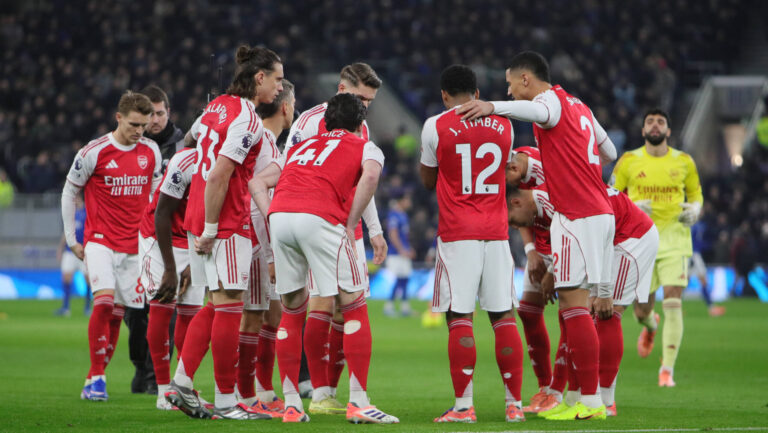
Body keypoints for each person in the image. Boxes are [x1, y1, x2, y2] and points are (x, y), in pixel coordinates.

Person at [458, 51, 617, 420]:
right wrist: (578, 170)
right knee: (579, 306)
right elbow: (608, 151)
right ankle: (584, 398)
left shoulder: (549, 102)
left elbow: (537, 113)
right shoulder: (580, 106)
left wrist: (491, 107)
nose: (511, 92)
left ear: (526, 79)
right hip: (596, 211)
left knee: (575, 307)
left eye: (511, 85)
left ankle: (590, 401)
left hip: (578, 216)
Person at [255, 93, 397, 424]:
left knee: (292, 312)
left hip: (282, 219)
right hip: (320, 219)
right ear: (361, 123)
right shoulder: (365, 146)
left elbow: (257, 182)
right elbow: (371, 178)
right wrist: (351, 222)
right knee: (354, 305)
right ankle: (359, 401)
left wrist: (273, 214)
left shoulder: (301, 147)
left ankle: (292, 405)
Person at [165, 44, 283, 420]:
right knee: (231, 305)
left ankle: (182, 383)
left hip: (197, 215)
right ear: (259, 77)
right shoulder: (248, 119)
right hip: (226, 220)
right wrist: (214, 227)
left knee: (214, 305)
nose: (280, 88)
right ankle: (229, 402)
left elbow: (191, 144)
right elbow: (219, 173)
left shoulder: (213, 107)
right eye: (277, 80)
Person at [421, 64, 524, 423]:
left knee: (460, 317)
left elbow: (426, 178)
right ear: (478, 93)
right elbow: (507, 172)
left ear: (444, 95)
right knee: (502, 316)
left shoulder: (435, 125)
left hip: (457, 233)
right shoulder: (505, 126)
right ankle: (515, 405)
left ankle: (464, 407)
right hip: (496, 234)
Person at [508, 184, 659, 417]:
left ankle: (606, 402)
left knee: (606, 314)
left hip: (630, 238)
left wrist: (554, 271)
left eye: (512, 220)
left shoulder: (551, 201)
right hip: (609, 240)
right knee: (580, 311)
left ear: (516, 203)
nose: (517, 226)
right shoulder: (552, 194)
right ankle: (574, 397)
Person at [285, 63, 386, 413]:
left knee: (345, 312)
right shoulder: (310, 122)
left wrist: (374, 230)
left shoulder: (362, 124)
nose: (367, 106)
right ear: (342, 90)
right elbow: (290, 172)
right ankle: (320, 392)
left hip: (349, 226)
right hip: (321, 223)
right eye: (361, 98)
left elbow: (362, 180)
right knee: (322, 304)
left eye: (370, 100)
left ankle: (329, 391)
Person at [61, 91, 162, 402]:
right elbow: (69, 192)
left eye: (144, 125)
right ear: (119, 118)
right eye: (134, 124)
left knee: (119, 314)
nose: (139, 131)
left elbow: (157, 197)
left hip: (136, 246)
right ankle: (100, 377)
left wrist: (155, 239)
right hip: (100, 241)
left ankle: (93, 377)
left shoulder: (151, 151)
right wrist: (71, 239)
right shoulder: (94, 152)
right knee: (103, 304)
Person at [612, 108, 704, 387]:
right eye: (650, 121)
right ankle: (650, 325)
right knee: (641, 311)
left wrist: (697, 209)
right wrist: (632, 206)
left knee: (674, 298)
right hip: (641, 239)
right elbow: (611, 196)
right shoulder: (628, 161)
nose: (655, 125)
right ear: (643, 131)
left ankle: (667, 370)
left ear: (668, 130)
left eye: (660, 122)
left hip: (675, 237)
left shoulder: (685, 161)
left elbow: (697, 194)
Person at [235, 79, 295, 415]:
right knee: (250, 317)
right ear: (285, 106)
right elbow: (255, 203)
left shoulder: (269, 144)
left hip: (262, 239)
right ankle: (243, 393)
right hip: (254, 239)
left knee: (272, 314)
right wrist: (270, 253)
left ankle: (264, 390)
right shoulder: (264, 146)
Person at [124, 85, 186, 396]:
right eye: (152, 115)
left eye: (161, 113)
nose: (156, 120)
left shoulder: (185, 145)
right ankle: (141, 364)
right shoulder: (132, 145)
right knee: (135, 309)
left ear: (168, 113)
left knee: (166, 305)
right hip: (134, 232)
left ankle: (154, 376)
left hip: (168, 235)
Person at [139, 144, 205, 410]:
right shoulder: (186, 162)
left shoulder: (231, 162)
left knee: (192, 313)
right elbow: (162, 213)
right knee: (162, 306)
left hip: (194, 240)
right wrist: (169, 268)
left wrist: (197, 257)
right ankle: (163, 389)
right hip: (160, 238)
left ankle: (182, 385)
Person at [56, 194, 91, 317]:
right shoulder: (70, 214)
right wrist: (60, 249)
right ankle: (65, 308)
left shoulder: (88, 212)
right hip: (70, 250)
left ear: (80, 199)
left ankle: (87, 307)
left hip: (83, 251)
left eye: (76, 198)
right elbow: (66, 233)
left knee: (88, 279)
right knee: (66, 277)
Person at [383, 191, 414, 317]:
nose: (409, 202)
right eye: (407, 199)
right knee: (398, 278)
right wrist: (401, 249)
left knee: (405, 278)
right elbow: (393, 234)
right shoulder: (394, 215)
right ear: (401, 201)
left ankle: (405, 307)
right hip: (396, 253)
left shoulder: (403, 215)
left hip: (403, 252)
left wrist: (409, 248)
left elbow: (403, 236)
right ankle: (388, 306)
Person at [690, 221, 725, 316]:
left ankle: (675, 308)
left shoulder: (696, 225)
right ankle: (711, 308)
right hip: (693, 255)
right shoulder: (696, 225)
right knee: (703, 280)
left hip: (689, 254)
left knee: (684, 282)